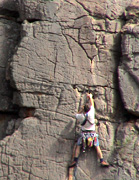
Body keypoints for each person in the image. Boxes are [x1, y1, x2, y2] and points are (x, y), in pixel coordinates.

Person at [68, 93, 109, 173]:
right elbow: (92, 104)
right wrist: (90, 97)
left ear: (84, 110)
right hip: (92, 135)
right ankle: (102, 161)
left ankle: (75, 161)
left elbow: (76, 114)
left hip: (84, 135)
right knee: (97, 147)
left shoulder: (80, 116)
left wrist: (81, 110)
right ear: (89, 109)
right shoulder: (91, 113)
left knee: (78, 146)